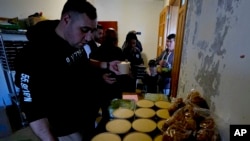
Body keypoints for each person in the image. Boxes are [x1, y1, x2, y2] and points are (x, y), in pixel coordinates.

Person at [14, 1, 120, 141]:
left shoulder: (73, 39)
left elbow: (83, 62)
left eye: (92, 31)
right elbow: (33, 111)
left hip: (88, 118)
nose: (89, 38)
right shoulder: (33, 55)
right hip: (66, 131)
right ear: (66, 20)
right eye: (84, 29)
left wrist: (106, 65)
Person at [89, 28, 125, 134]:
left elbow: (90, 71)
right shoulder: (118, 51)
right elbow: (123, 71)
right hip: (116, 88)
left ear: (103, 38)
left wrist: (101, 76)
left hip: (102, 89)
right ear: (115, 39)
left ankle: (106, 133)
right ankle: (116, 131)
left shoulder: (96, 51)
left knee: (105, 113)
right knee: (117, 112)